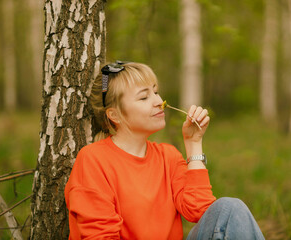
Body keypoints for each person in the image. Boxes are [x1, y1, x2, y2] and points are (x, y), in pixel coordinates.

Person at [64, 61, 265, 240]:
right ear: (114, 115)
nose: (158, 101)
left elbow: (199, 210)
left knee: (230, 208)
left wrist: (194, 142)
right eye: (144, 97)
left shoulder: (168, 156)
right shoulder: (93, 160)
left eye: (155, 91)